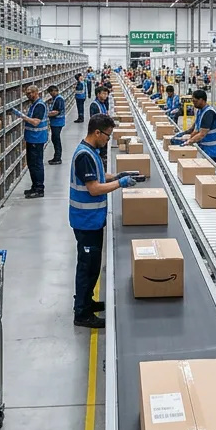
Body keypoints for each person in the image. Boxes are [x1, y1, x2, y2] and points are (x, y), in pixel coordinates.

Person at [71, 114, 140, 329]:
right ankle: (81, 314)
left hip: (92, 220)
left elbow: (99, 177)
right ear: (97, 133)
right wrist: (120, 183)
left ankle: (87, 302)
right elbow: (94, 189)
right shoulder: (84, 155)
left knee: (92, 267)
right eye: (107, 136)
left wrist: (117, 175)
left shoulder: (90, 151)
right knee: (86, 266)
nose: (108, 140)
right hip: (86, 221)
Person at [177, 89, 216, 166]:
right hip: (206, 150)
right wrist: (184, 135)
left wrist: (188, 142)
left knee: (209, 175)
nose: (194, 104)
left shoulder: (209, 113)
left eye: (195, 101)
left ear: (202, 100)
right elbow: (195, 129)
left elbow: (202, 134)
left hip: (214, 152)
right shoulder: (200, 111)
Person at [19, 84, 50, 198]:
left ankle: (39, 188)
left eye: (30, 93)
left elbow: (36, 122)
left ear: (36, 93)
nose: (28, 95)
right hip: (32, 138)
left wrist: (23, 117)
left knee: (36, 164)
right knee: (32, 164)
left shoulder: (40, 105)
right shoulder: (34, 105)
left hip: (37, 139)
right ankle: (34, 186)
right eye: (27, 93)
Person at [89, 85, 113, 162]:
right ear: (98, 94)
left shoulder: (103, 104)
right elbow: (94, 121)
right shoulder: (95, 105)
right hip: (99, 133)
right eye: (103, 93)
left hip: (104, 132)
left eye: (106, 94)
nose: (105, 96)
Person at [47, 84, 66, 165]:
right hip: (55, 122)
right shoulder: (55, 99)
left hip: (57, 122)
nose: (50, 94)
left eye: (51, 92)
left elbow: (57, 112)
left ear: (55, 91)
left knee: (56, 140)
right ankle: (56, 157)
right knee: (54, 139)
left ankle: (58, 158)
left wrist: (45, 115)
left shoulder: (59, 99)